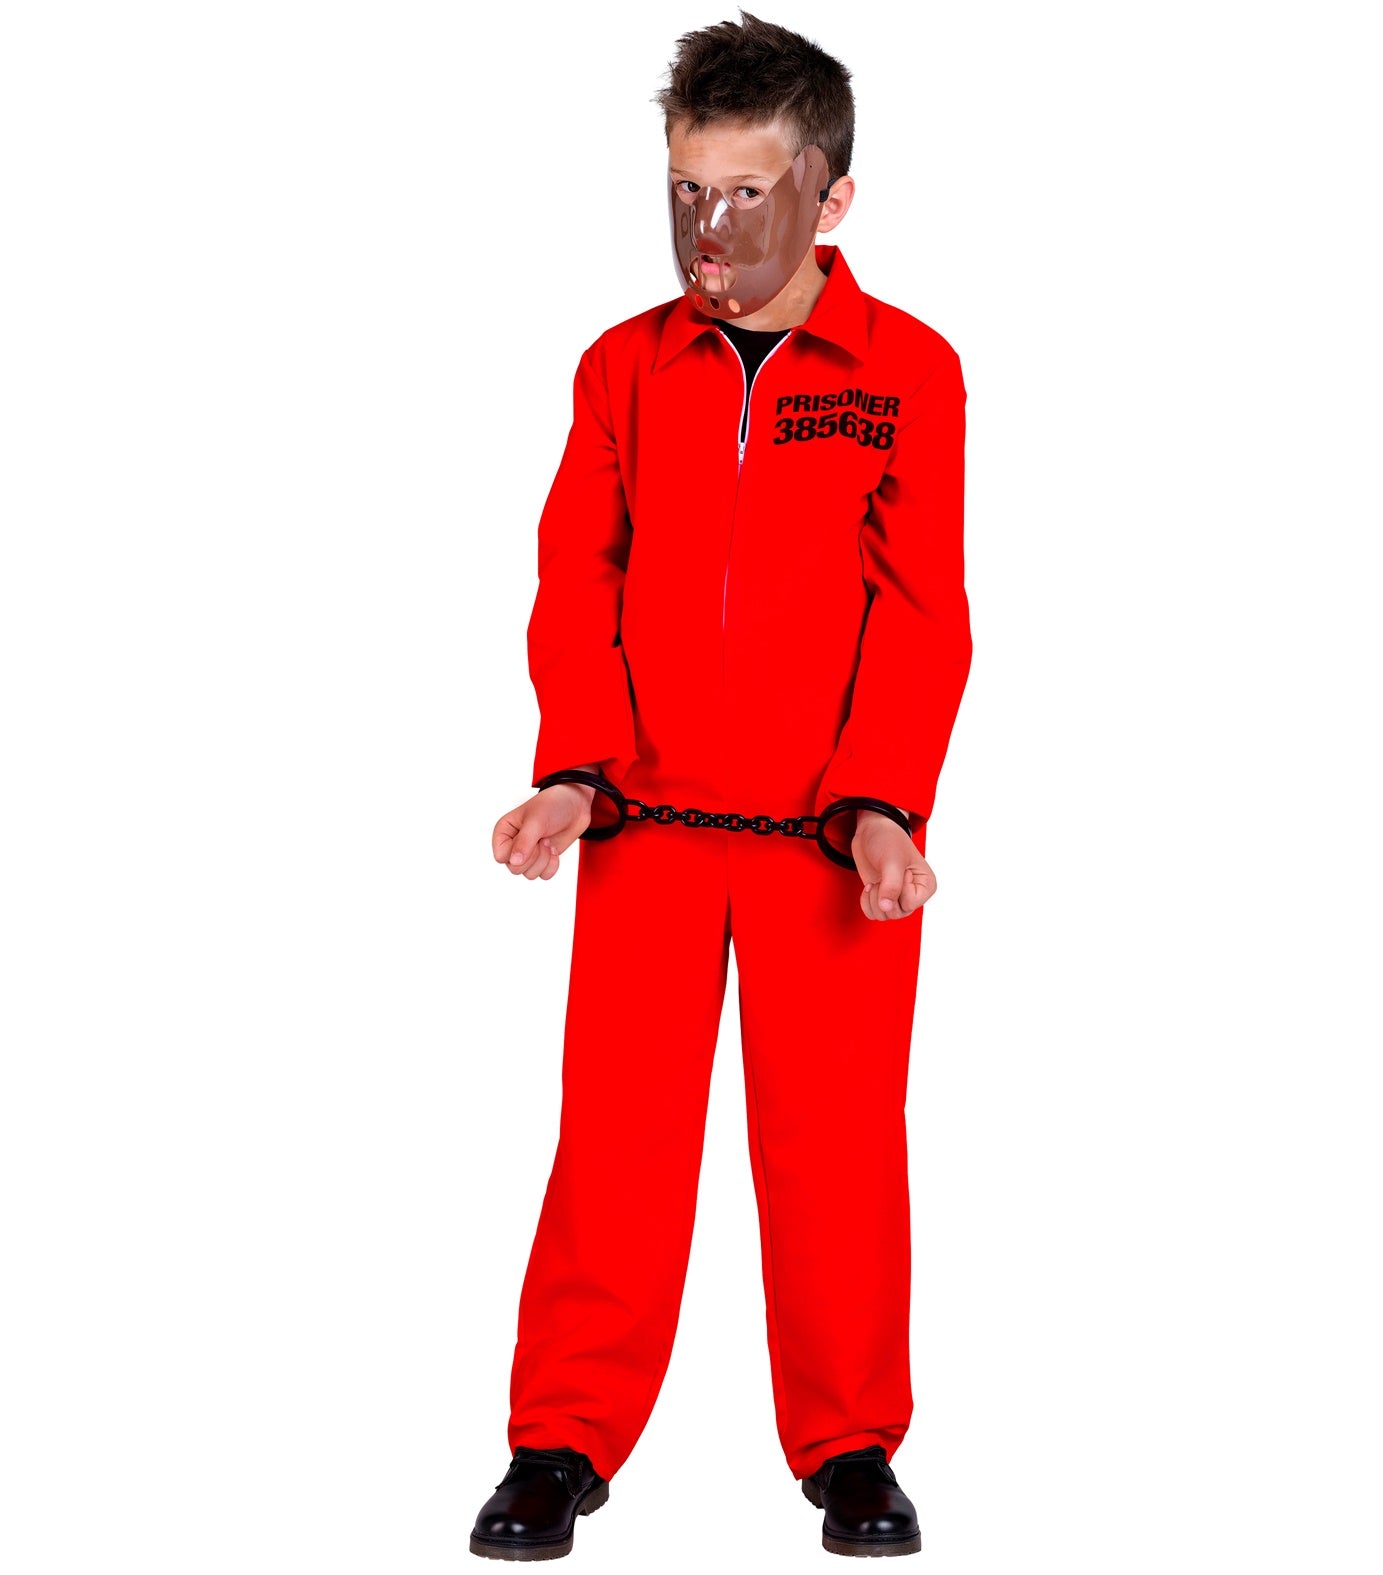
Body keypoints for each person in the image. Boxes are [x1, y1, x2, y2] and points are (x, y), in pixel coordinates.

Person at [472, 9, 971, 1561]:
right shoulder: (624, 368)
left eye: (748, 192)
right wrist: (574, 769)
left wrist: (884, 799)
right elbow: (578, 575)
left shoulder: (905, 373)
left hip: (831, 839)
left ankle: (850, 1444)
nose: (710, 224)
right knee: (614, 1139)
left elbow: (921, 606)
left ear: (830, 196)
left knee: (836, 1148)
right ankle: (561, 1436)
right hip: (650, 824)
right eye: (688, 189)